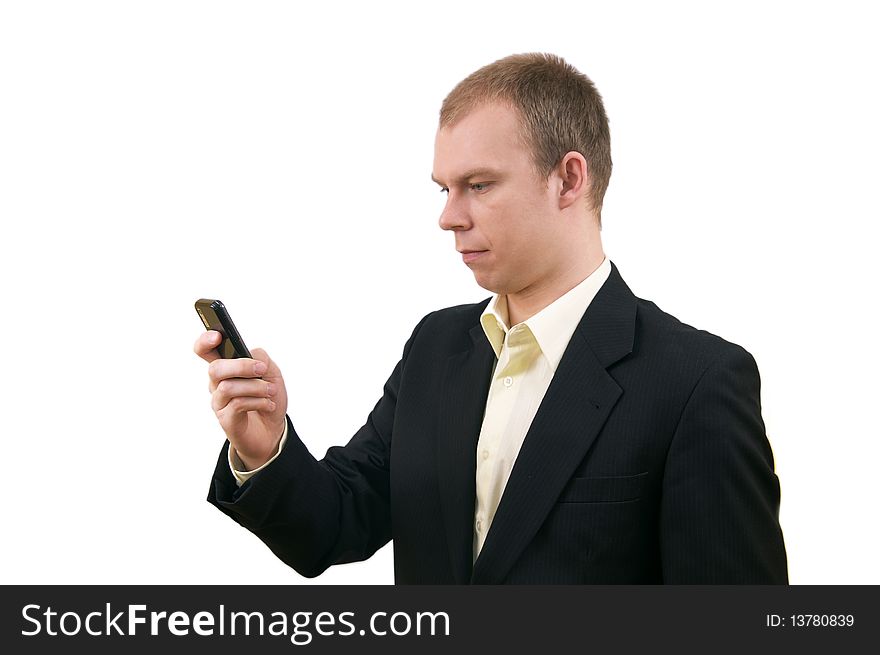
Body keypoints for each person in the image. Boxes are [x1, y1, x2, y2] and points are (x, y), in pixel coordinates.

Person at [194, 53, 788, 584]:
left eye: (478, 185)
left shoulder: (696, 381)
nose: (449, 217)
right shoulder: (436, 347)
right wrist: (264, 446)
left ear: (569, 179)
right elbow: (338, 523)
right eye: (445, 188)